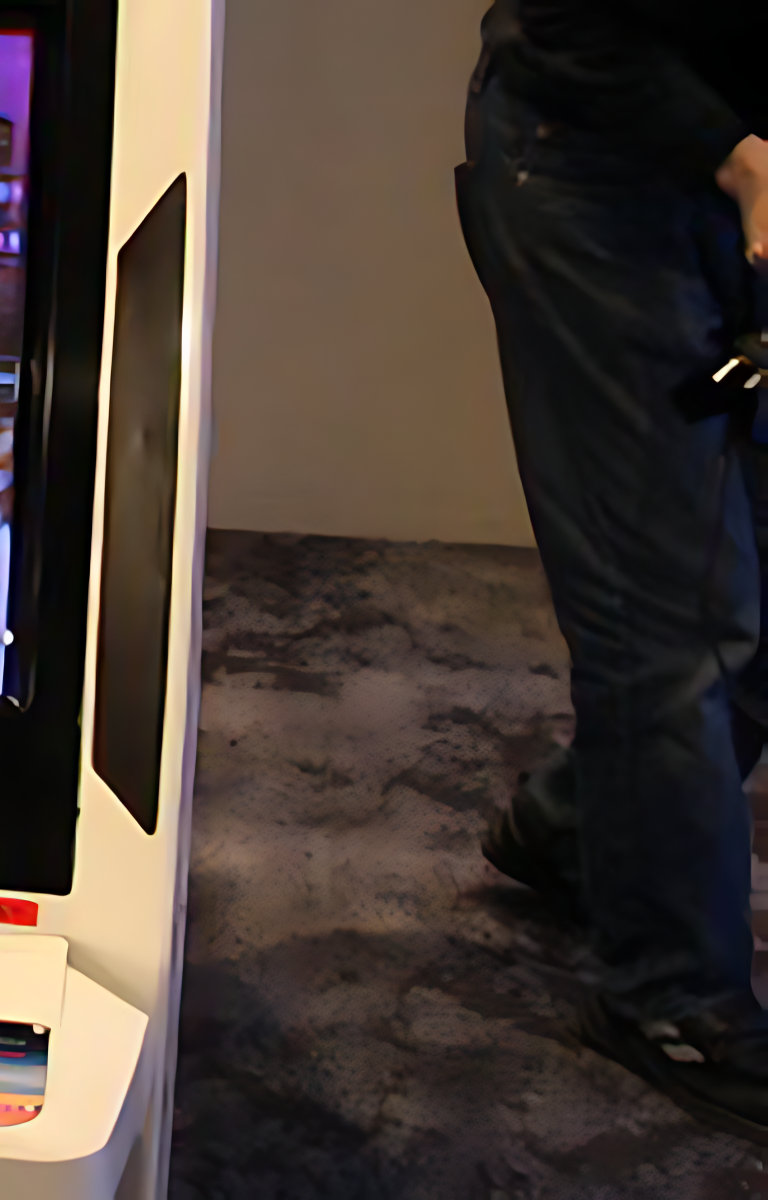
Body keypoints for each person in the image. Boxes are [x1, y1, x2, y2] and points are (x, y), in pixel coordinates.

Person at [459, 0, 768, 1140]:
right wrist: (736, 156)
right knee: (671, 612)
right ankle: (670, 1000)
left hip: (739, 162)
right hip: (595, 155)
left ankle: (586, 825)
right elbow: (565, 20)